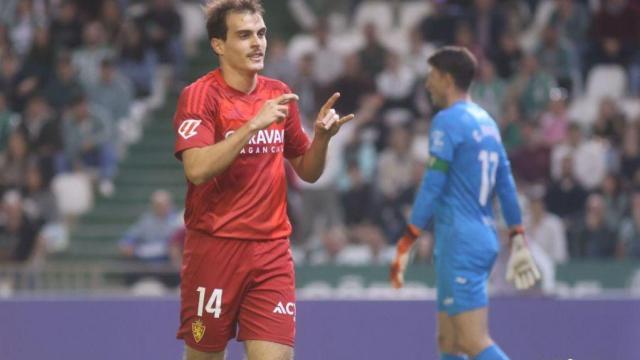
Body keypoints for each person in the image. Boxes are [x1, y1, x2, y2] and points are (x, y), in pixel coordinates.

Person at [172, 1, 354, 359]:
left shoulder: (278, 94)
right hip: (214, 251)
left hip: (271, 253)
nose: (258, 43)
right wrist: (251, 125)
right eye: (244, 35)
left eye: (261, 33)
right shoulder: (199, 96)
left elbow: (307, 170)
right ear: (218, 45)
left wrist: (321, 139)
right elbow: (196, 168)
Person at [389, 47, 540, 360]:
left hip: (460, 239)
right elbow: (506, 185)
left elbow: (432, 184)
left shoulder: (447, 121)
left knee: (472, 341)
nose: (427, 84)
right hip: (477, 237)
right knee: (448, 340)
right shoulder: (487, 122)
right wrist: (517, 236)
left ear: (446, 79)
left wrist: (408, 238)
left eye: (431, 77)